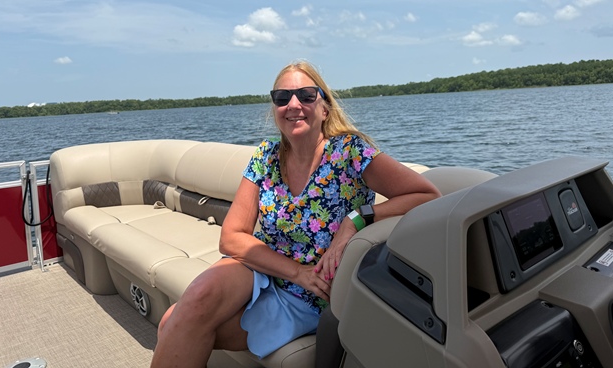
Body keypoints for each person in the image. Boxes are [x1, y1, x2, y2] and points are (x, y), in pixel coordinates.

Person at [150, 61, 441, 367]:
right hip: (264, 268)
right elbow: (231, 238)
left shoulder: (349, 153)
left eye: (305, 95)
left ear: (324, 108)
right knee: (192, 303)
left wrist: (355, 220)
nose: (293, 104)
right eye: (282, 97)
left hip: (311, 292)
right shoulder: (265, 157)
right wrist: (296, 272)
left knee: (175, 324)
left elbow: (426, 196)